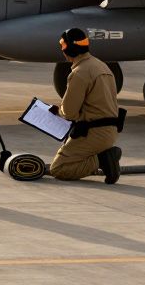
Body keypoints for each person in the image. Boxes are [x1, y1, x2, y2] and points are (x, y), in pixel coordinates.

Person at [49, 28, 123, 184]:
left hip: (92, 133)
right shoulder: (102, 66)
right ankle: (104, 157)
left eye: (63, 47)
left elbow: (69, 113)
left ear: (68, 49)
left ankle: (103, 159)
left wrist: (58, 111)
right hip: (109, 131)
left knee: (59, 168)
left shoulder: (80, 73)